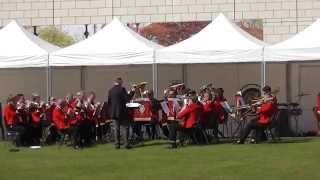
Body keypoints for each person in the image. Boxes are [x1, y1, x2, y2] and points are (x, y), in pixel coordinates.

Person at [108, 77, 134, 149]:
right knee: (125, 128)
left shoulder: (110, 90)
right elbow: (127, 99)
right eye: (122, 82)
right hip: (122, 112)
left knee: (116, 129)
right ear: (120, 82)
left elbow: (109, 102)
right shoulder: (122, 89)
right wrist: (132, 91)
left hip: (114, 112)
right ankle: (126, 144)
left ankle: (117, 144)